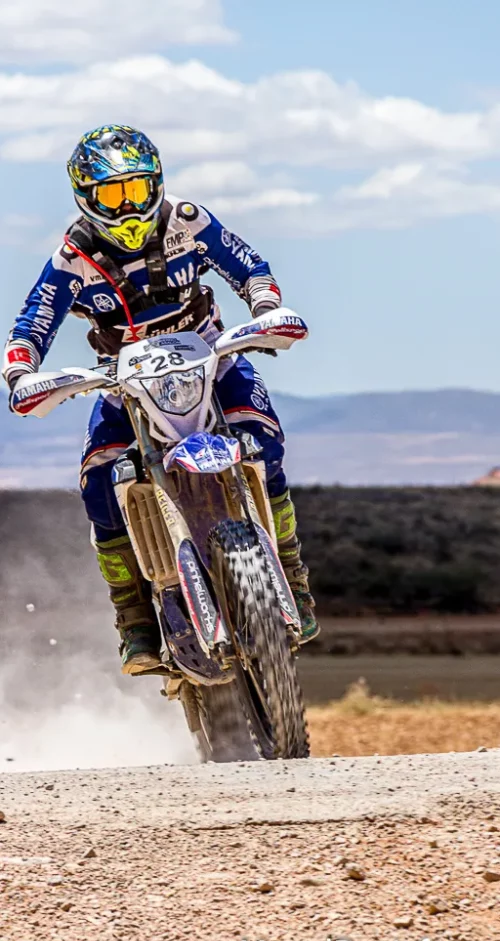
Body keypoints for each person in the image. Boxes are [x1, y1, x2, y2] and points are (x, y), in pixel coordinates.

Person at [3, 124, 319, 675]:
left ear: (157, 184)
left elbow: (249, 266)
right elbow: (33, 321)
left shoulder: (187, 220)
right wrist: (20, 371)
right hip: (125, 386)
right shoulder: (72, 257)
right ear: (86, 197)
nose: (128, 206)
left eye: (137, 189)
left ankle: (291, 576)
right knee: (98, 482)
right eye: (113, 195)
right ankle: (134, 621)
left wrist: (267, 308)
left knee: (264, 442)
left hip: (212, 359)